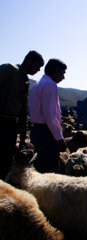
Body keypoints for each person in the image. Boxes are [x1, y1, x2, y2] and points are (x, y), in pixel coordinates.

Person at [0, 50, 44, 180]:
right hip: (1, 120)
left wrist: (23, 136)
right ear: (29, 61)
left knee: (6, 160)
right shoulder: (9, 70)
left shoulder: (25, 80)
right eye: (38, 66)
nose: (38, 70)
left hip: (10, 125)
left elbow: (23, 109)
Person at [28, 58, 67, 173]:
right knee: (50, 173)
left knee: (38, 170)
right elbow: (50, 115)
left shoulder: (36, 85)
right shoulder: (50, 85)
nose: (63, 77)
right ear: (56, 70)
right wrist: (59, 138)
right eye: (62, 73)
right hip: (47, 133)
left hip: (36, 131)